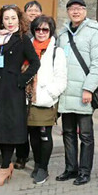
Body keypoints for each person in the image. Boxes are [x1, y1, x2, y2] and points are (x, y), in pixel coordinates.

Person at [56, 0, 98, 186]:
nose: (75, 12)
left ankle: (85, 171)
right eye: (72, 9)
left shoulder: (95, 33)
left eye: (79, 8)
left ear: (85, 11)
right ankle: (70, 168)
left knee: (85, 134)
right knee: (68, 132)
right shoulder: (62, 35)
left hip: (84, 92)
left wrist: (88, 88)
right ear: (67, 11)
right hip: (66, 91)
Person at [0, 4, 40, 186]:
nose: (9, 22)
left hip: (13, 90)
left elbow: (35, 63)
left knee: (8, 128)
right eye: (6, 18)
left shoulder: (22, 39)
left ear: (19, 19)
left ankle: (4, 168)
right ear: (1, 20)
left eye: (13, 18)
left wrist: (21, 80)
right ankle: (6, 164)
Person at [27, 15, 67, 185]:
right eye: (38, 29)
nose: (41, 33)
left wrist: (49, 94)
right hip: (28, 99)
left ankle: (43, 167)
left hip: (45, 100)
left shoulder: (56, 51)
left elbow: (61, 78)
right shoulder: (27, 47)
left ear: (51, 31)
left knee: (44, 134)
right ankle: (37, 163)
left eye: (45, 29)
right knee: (33, 135)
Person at [15, 0, 44, 169]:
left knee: (37, 126)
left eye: (36, 10)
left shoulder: (45, 31)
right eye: (29, 10)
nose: (33, 13)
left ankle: (40, 160)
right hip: (22, 84)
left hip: (40, 86)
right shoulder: (21, 33)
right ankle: (22, 155)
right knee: (22, 124)